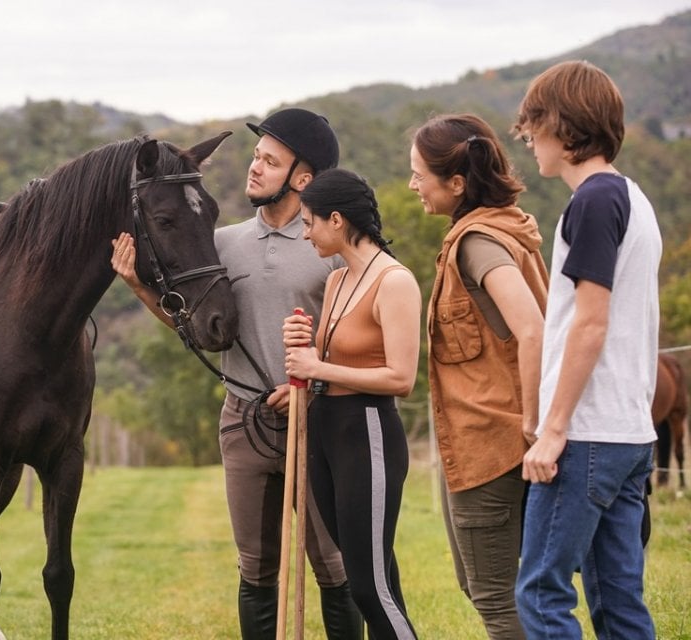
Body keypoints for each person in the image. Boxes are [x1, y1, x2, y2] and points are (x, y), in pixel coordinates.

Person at [112, 108, 363, 639]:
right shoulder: (222, 245)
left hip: (316, 424)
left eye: (269, 161)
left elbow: (365, 339)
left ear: (303, 177)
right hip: (242, 424)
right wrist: (138, 286)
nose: (254, 168)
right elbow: (193, 324)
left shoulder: (332, 249)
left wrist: (315, 385)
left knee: (333, 568)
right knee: (255, 569)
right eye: (256, 156)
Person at [514, 61, 660, 639]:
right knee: (620, 602)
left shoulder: (594, 202)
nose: (528, 138)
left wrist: (553, 430)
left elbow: (591, 325)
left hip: (588, 435)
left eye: (533, 125)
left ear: (564, 125)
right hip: (628, 433)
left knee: (542, 592)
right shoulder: (631, 197)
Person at [409, 114, 548, 639]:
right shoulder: (510, 227)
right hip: (493, 441)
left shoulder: (478, 243)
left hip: (491, 442)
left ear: (458, 183)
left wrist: (534, 422)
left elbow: (532, 330)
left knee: (494, 596)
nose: (413, 185)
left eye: (419, 174)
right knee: (500, 590)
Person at [282, 168, 421, 639]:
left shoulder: (395, 281)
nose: (305, 233)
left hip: (369, 432)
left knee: (367, 586)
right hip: (328, 429)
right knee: (371, 578)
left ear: (336, 220)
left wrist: (317, 368)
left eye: (308, 222)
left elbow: (401, 377)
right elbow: (328, 358)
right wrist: (304, 348)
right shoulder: (338, 280)